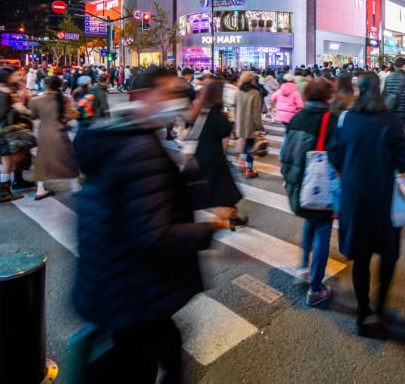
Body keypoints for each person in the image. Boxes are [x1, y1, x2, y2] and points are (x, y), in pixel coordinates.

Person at [72, 67, 229, 383]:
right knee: (141, 361)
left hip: (115, 279)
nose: (176, 101)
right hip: (130, 287)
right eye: (169, 93)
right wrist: (210, 228)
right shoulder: (139, 149)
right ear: (141, 96)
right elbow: (154, 235)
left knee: (164, 341)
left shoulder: (114, 136)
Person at [328, 73, 405, 337]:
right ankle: (380, 309)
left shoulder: (346, 119)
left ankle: (362, 311)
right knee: (387, 254)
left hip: (354, 196)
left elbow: (335, 154)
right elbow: (404, 162)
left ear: (358, 91)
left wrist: (349, 169)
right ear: (380, 89)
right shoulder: (392, 121)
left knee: (361, 257)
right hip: (385, 197)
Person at [279, 77, 338, 307]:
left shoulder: (297, 117)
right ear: (327, 96)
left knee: (308, 223)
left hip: (296, 184)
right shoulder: (329, 120)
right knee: (323, 229)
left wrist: (288, 178)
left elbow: (285, 151)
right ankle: (315, 288)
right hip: (318, 187)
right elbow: (336, 155)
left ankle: (303, 265)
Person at [188, 80, 246, 228]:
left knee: (221, 189)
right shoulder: (214, 112)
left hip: (200, 155)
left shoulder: (200, 108)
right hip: (213, 157)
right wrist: (225, 116)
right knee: (224, 190)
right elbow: (224, 131)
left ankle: (232, 216)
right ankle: (229, 218)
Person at [0, 66, 34, 202]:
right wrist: (18, 107)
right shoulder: (3, 93)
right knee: (8, 162)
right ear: (7, 76)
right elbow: (3, 114)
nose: (17, 77)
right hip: (7, 131)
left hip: (2, 130)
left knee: (10, 160)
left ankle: (6, 186)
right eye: (14, 75)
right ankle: (3, 189)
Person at [28, 75, 81, 200]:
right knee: (69, 160)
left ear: (46, 86)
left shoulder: (36, 100)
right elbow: (72, 114)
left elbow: (33, 116)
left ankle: (40, 189)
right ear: (60, 85)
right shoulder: (65, 99)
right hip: (60, 132)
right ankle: (75, 186)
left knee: (42, 161)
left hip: (44, 132)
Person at [234, 70, 263, 178]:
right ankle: (249, 169)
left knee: (246, 144)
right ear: (252, 80)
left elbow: (235, 107)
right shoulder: (255, 93)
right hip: (250, 124)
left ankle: (242, 164)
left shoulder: (238, 92)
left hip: (240, 123)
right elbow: (256, 113)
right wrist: (259, 127)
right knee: (251, 148)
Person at [381, 56, 405, 126]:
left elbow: (384, 95)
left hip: (390, 109)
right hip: (403, 111)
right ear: (404, 65)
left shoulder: (388, 78)